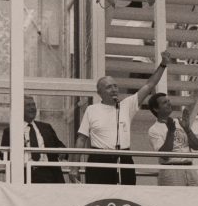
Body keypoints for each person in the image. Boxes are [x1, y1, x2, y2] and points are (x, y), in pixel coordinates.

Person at [69, 50, 172, 185]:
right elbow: (81, 140)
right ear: (100, 93)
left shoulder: (126, 106)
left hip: (124, 158)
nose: (114, 89)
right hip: (99, 160)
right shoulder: (91, 110)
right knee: (100, 199)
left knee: (126, 197)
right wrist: (74, 167)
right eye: (109, 87)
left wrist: (163, 64)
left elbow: (149, 85)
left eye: (115, 86)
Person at [1, 95, 67, 184]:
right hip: (24, 175)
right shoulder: (11, 131)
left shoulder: (46, 127)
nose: (32, 108)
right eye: (28, 105)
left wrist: (62, 150)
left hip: (48, 174)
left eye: (33, 105)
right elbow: (3, 156)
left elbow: (59, 146)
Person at [147, 93, 198, 186]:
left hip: (190, 168)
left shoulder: (179, 122)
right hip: (170, 170)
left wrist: (187, 129)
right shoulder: (153, 129)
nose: (169, 104)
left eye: (168, 101)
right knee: (173, 200)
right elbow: (164, 156)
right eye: (164, 102)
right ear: (156, 109)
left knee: (197, 199)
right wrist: (171, 132)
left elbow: (197, 146)